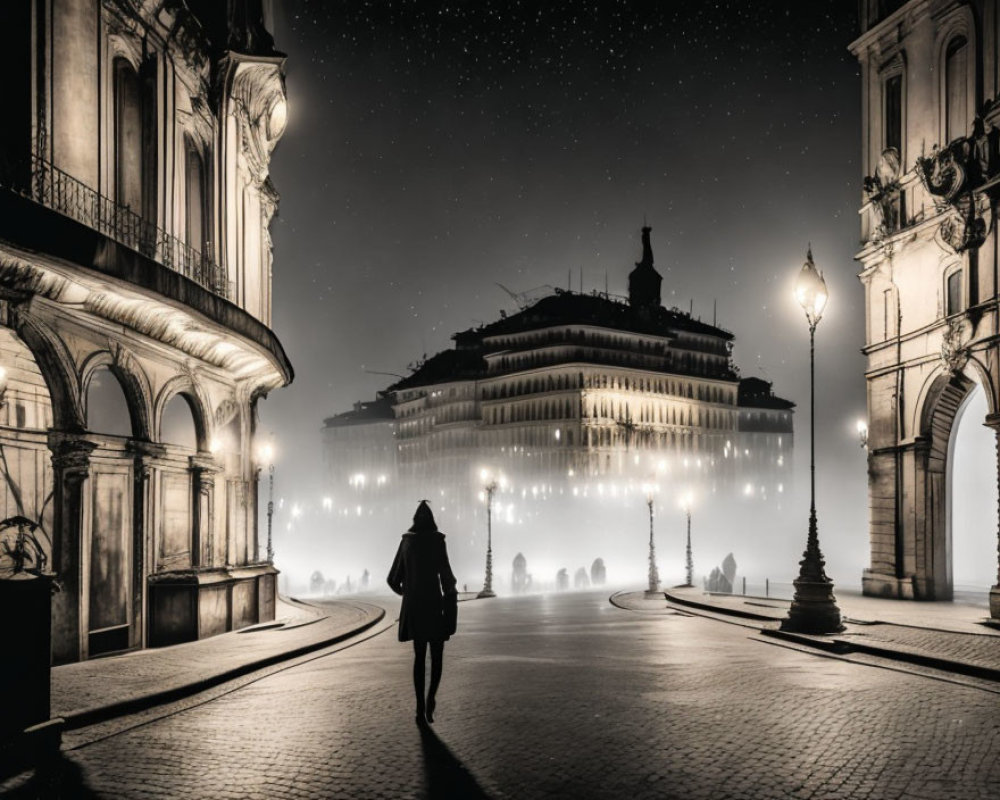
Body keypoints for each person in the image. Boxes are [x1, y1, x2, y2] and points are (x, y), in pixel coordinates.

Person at [387, 500, 458, 724]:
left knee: (419, 658)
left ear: (415, 520)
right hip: (435, 606)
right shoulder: (438, 541)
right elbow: (446, 575)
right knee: (436, 657)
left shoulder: (407, 542)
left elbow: (392, 579)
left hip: (416, 607)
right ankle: (431, 699)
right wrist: (451, 595)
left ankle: (419, 707)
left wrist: (407, 593)